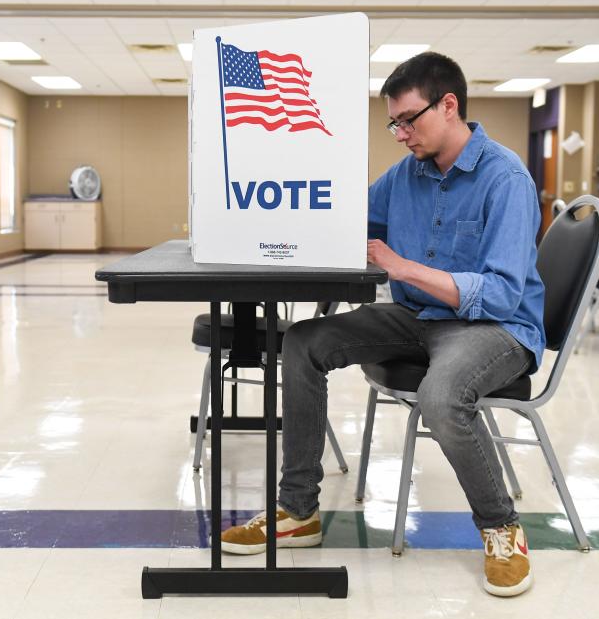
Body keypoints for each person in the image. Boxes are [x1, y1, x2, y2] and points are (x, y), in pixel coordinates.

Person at [220, 52, 545, 598]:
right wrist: (269, 224)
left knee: (440, 396)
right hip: (416, 316)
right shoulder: (405, 176)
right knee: (303, 341)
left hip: (497, 330)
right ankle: (297, 511)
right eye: (393, 123)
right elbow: (346, 222)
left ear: (449, 105)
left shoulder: (505, 178)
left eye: (408, 120)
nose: (400, 134)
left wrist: (402, 266)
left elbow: (503, 292)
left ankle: (501, 527)